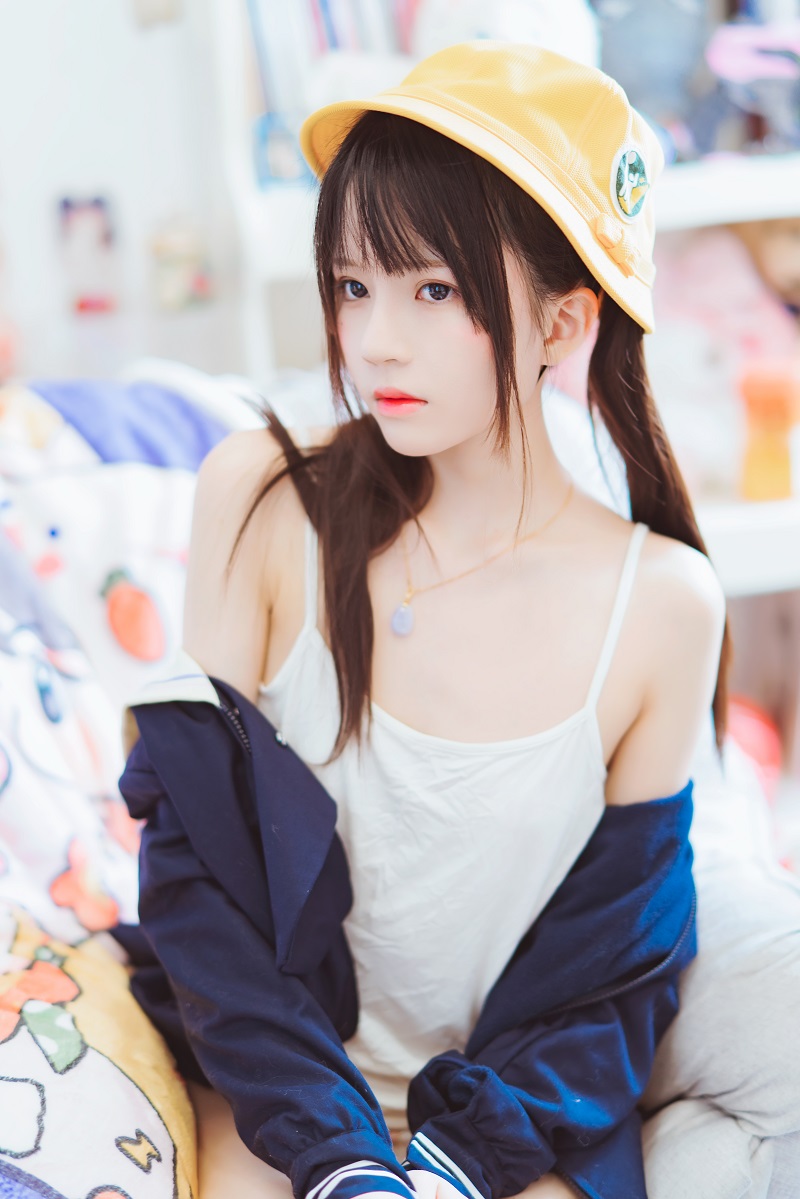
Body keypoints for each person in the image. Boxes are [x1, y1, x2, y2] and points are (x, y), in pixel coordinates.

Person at [119, 43, 736, 1199]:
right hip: (265, 1090)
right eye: (353, 285)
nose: (374, 341)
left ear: (562, 321)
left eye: (432, 290)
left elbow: (615, 967)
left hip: (507, 1123)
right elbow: (195, 875)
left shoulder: (659, 605)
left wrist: (455, 1166)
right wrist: (342, 1159)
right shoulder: (262, 496)